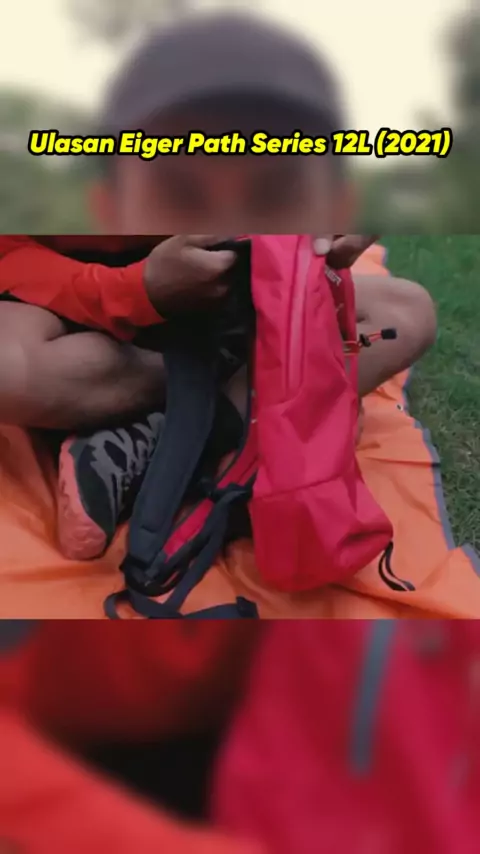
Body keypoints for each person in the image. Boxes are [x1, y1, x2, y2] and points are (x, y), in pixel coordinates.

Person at [0, 13, 437, 560]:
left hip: (212, 300)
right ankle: (227, 418)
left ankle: (149, 436)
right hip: (66, 297)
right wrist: (138, 289)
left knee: (407, 314)